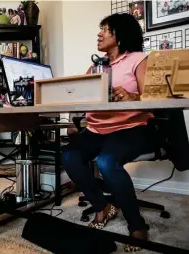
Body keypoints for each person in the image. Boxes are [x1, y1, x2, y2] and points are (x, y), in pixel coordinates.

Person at [62, 13, 153, 252]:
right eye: (99, 29)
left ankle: (137, 225)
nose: (99, 34)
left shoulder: (138, 59)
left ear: (120, 35)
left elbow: (152, 97)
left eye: (105, 29)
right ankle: (102, 206)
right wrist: (78, 118)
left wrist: (132, 96)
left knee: (106, 162)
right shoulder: (96, 65)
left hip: (130, 127)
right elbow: (82, 94)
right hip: (96, 129)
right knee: (69, 156)